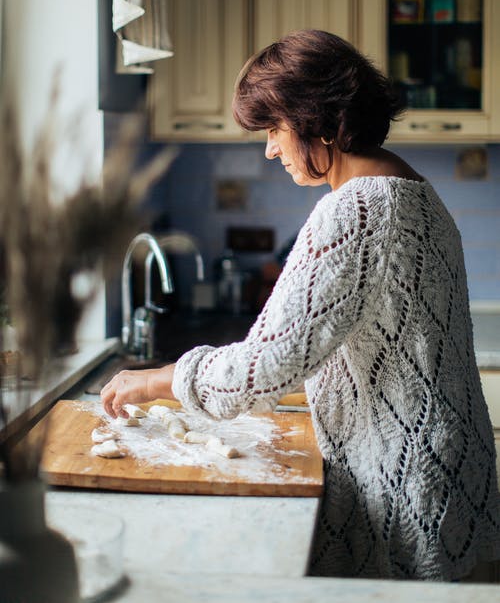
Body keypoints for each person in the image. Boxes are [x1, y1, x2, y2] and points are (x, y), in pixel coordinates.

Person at [101, 29, 500, 581]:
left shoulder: (354, 211)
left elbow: (261, 368)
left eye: (273, 128)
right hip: (450, 474)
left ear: (319, 119)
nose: (269, 149)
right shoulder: (417, 194)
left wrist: (158, 379)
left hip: (406, 486)